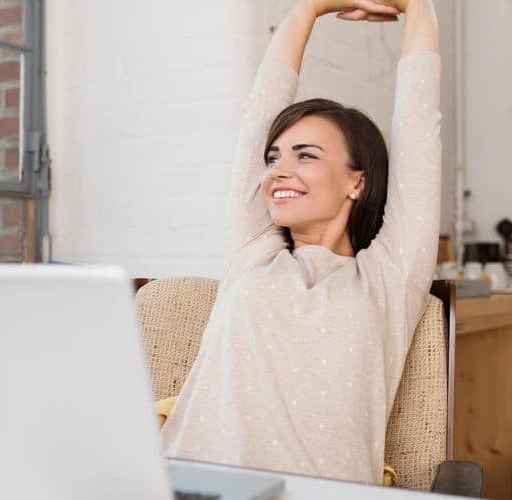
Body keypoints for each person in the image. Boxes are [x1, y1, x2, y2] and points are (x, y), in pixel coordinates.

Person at [158, 0, 441, 484]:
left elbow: (420, 127)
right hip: (191, 488)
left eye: (305, 155)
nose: (277, 171)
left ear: (358, 182)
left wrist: (418, 6)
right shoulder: (254, 253)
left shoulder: (389, 278)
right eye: (273, 158)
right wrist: (309, 8)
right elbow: (258, 113)